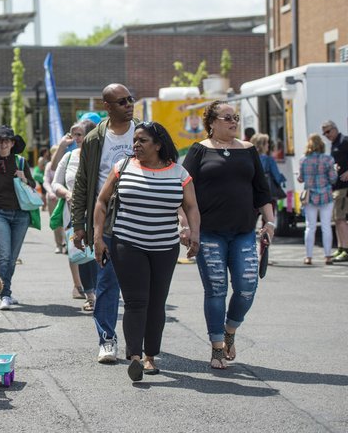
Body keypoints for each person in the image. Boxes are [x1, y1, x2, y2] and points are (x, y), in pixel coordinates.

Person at [93, 122, 200, 381]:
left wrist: (194, 232)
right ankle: (136, 357)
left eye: (142, 141)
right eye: (135, 141)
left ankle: (151, 356)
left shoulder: (179, 173)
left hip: (164, 247)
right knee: (135, 301)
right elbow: (102, 201)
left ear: (158, 144)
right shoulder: (123, 167)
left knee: (156, 302)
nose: (136, 145)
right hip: (127, 243)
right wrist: (98, 237)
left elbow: (192, 206)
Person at [182, 100, 275, 369]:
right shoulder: (199, 151)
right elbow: (183, 190)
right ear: (211, 123)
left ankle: (230, 331)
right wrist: (186, 224)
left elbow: (262, 190)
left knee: (247, 288)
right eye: (227, 118)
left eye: (235, 117)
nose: (233, 121)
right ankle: (217, 348)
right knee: (216, 290)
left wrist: (270, 222)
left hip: (244, 232)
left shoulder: (248, 150)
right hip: (209, 233)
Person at [71, 84, 137, 364]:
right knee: (108, 283)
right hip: (106, 219)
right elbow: (83, 183)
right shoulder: (94, 139)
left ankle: (140, 341)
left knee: (138, 285)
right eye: (121, 101)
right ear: (107, 107)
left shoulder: (145, 132)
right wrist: (79, 225)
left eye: (130, 99)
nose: (128, 104)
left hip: (141, 217)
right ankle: (107, 338)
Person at [0, 125, 36, 310]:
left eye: (7, 140)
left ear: (12, 143)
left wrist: (24, 178)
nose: (4, 144)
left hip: (21, 215)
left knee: (12, 257)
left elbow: (34, 184)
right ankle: (5, 294)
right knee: (4, 255)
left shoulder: (20, 162)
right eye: (0, 141)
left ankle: (6, 290)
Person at [53, 120, 99, 308]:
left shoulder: (100, 156)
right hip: (73, 213)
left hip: (98, 211)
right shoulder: (69, 156)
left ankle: (100, 293)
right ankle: (90, 295)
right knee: (82, 253)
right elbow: (55, 183)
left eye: (79, 134)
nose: (75, 139)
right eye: (73, 135)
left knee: (99, 251)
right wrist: (67, 193)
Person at [298, 133, 338, 265]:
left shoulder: (303, 160)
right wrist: (335, 171)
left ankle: (308, 256)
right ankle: (327, 256)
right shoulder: (328, 159)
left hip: (310, 196)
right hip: (326, 194)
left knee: (310, 227)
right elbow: (333, 179)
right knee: (326, 226)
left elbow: (301, 178)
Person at [322, 121, 348, 261]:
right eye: (324, 133)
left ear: (335, 128)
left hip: (344, 188)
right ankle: (340, 248)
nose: (327, 135)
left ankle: (346, 249)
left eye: (328, 131)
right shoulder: (334, 144)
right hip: (336, 187)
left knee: (341, 219)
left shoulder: (344, 141)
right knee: (337, 220)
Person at [44, 145, 66, 255]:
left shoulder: (66, 162)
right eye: (54, 153)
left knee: (66, 222)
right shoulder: (49, 165)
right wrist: (51, 193)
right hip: (52, 198)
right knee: (56, 222)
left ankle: (66, 244)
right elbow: (46, 181)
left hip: (64, 197)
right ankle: (58, 244)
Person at [251, 133, 286, 201]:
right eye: (267, 143)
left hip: (252, 194)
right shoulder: (269, 159)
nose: (268, 145)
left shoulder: (249, 158)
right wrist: (283, 179)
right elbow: (277, 177)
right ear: (262, 145)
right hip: (267, 194)